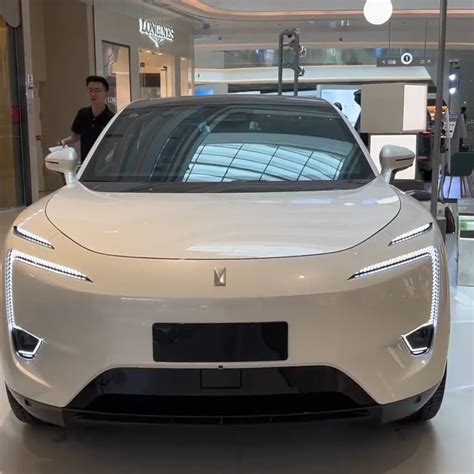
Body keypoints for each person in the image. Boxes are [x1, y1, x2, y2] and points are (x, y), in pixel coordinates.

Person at [61, 76, 115, 162]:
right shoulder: (82, 114)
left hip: (103, 164)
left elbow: (115, 143)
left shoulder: (111, 118)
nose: (93, 94)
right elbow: (74, 137)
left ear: (106, 93)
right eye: (90, 90)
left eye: (97, 90)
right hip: (85, 163)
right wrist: (63, 142)